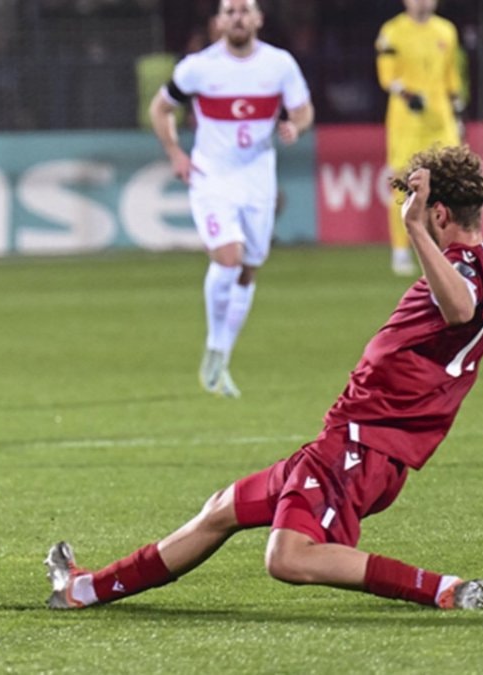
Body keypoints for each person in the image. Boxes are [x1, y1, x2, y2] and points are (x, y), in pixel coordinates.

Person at [43, 145, 483, 612]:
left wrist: (414, 230)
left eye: (420, 210)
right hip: (354, 444)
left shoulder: (459, 272)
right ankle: (82, 591)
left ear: (438, 212)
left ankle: (444, 589)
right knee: (222, 509)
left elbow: (460, 309)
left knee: (288, 558)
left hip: (362, 444)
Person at [148, 0, 313, 398]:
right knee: (228, 256)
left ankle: (222, 353)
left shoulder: (279, 65)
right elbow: (160, 108)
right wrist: (175, 153)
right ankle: (213, 344)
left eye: (244, 10)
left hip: (258, 179)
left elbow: (303, 109)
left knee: (248, 269)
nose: (237, 17)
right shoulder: (199, 68)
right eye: (230, 11)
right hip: (213, 177)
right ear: (218, 22)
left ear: (258, 19)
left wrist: (296, 127)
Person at [376, 0, 465, 276]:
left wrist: (457, 109)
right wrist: (407, 95)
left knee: (451, 185)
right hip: (407, 122)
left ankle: (453, 249)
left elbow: (452, 74)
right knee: (404, 185)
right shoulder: (392, 31)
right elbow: (387, 76)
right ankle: (401, 250)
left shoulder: (447, 30)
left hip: (441, 120)